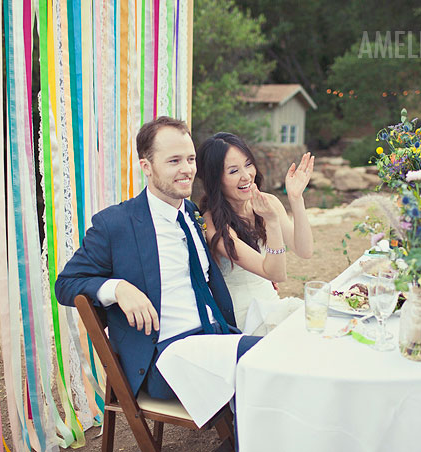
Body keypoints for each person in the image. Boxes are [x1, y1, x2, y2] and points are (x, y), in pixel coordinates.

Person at [55, 117, 260, 401]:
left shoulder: (190, 213)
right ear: (147, 167)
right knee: (266, 364)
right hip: (165, 357)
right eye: (174, 161)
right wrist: (118, 289)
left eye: (190, 158)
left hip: (218, 338)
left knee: (282, 353)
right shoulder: (116, 223)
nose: (187, 169)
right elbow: (66, 284)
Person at [196, 132, 314, 335]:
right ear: (216, 179)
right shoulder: (213, 223)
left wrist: (296, 198)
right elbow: (276, 274)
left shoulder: (267, 202)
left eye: (248, 164)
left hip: (272, 306)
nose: (246, 175)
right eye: (233, 171)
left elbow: (305, 250)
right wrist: (272, 223)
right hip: (246, 319)